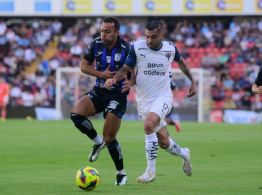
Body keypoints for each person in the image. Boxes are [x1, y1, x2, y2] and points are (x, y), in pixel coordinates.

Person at [105, 20, 197, 183]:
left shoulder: (170, 48)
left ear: (161, 35)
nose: (149, 40)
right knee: (164, 142)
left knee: (148, 125)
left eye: (153, 37)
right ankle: (184, 153)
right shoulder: (137, 47)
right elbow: (126, 68)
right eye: (147, 36)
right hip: (144, 100)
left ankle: (150, 171)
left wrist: (193, 82)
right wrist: (114, 79)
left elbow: (182, 64)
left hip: (163, 97)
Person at [70, 17, 130, 185]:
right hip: (99, 91)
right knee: (76, 115)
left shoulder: (127, 48)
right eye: (102, 31)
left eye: (107, 32)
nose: (103, 35)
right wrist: (102, 75)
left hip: (117, 95)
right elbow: (84, 66)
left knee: (110, 137)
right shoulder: (95, 44)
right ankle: (97, 142)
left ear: (117, 32)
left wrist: (130, 83)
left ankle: (121, 172)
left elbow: (134, 72)